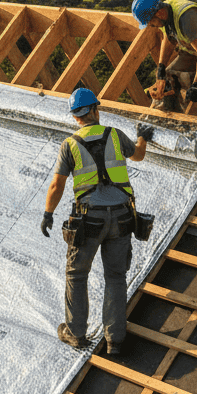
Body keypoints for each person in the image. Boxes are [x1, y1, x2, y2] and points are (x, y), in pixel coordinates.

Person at [41, 88, 152, 358]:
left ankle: (76, 333)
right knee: (115, 276)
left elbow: (57, 184)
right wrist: (143, 137)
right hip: (123, 216)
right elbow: (137, 155)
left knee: (77, 275)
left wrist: (48, 213)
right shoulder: (114, 135)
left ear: (75, 116)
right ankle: (114, 340)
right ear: (94, 110)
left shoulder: (69, 144)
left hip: (89, 219)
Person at [131, 0, 197, 117]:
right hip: (194, 50)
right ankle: (169, 115)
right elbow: (168, 39)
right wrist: (161, 68)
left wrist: (196, 85)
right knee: (169, 75)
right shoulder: (165, 14)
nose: (150, 25)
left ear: (158, 14)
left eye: (150, 22)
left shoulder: (186, 18)